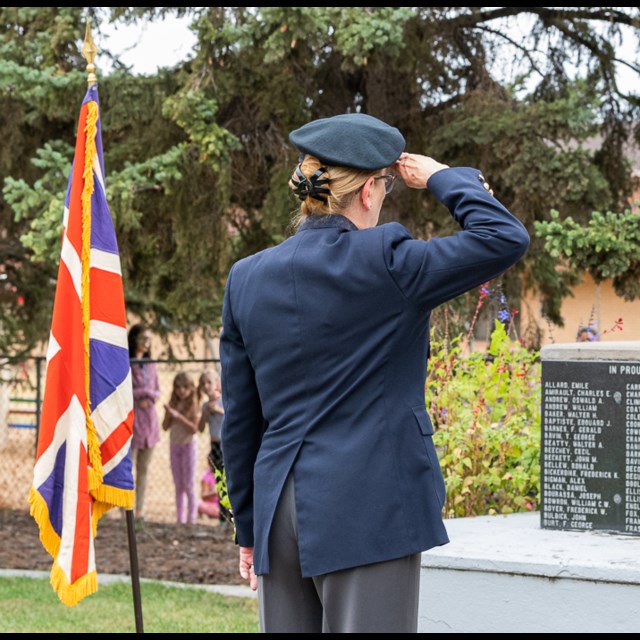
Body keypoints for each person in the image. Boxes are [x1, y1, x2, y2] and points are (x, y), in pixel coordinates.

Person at [220, 112, 529, 632]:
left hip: (278, 514)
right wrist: (441, 176)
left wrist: (249, 527)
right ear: (368, 191)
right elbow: (503, 237)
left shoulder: (246, 277)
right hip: (367, 504)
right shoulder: (387, 260)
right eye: (385, 186)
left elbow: (241, 418)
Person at [128, 324, 160, 521]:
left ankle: (139, 510)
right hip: (133, 420)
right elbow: (126, 392)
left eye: (149, 339)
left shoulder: (151, 363)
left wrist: (145, 394)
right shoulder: (126, 362)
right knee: (128, 467)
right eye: (143, 339)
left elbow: (156, 391)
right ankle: (126, 508)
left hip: (150, 421)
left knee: (144, 469)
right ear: (134, 340)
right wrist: (143, 394)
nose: (146, 343)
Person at [162, 371, 201, 524]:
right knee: (178, 484)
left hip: (189, 446)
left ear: (191, 388)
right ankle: (180, 519)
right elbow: (165, 427)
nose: (181, 391)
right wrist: (169, 414)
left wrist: (178, 416)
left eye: (185, 387)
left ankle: (192, 520)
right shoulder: (173, 404)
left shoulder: (194, 405)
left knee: (189, 484)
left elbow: (194, 429)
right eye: (178, 388)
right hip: (174, 446)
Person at [197, 369, 226, 523]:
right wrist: (205, 415)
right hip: (214, 444)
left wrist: (218, 411)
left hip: (226, 444)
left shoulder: (224, 401)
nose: (206, 386)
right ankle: (223, 517)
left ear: (216, 384)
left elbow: (231, 418)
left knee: (229, 479)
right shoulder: (206, 405)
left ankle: (233, 515)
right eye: (203, 383)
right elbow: (200, 428)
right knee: (219, 480)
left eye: (209, 382)